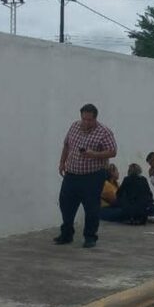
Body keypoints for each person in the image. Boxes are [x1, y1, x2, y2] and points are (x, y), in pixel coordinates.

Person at [54, 103, 117, 248]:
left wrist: (94, 154)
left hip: (92, 176)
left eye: (89, 120)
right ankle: (66, 234)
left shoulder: (104, 132)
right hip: (72, 174)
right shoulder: (74, 126)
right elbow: (67, 145)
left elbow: (112, 152)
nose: (86, 122)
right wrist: (62, 163)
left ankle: (90, 237)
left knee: (91, 207)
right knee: (65, 203)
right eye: (84, 119)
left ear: (95, 119)